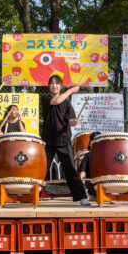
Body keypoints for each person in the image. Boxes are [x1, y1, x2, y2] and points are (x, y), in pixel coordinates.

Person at [41, 74, 90, 206]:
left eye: (57, 83)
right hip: (48, 140)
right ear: (48, 86)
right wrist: (71, 90)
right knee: (41, 169)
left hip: (63, 140)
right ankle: (32, 194)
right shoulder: (46, 99)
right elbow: (56, 101)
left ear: (61, 86)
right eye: (52, 83)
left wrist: (74, 122)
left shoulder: (67, 104)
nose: (54, 85)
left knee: (71, 170)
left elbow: (71, 121)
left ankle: (81, 197)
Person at [78, 131, 101, 198]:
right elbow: (82, 173)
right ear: (91, 142)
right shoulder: (88, 156)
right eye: (95, 140)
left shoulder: (106, 156)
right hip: (93, 187)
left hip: (105, 186)